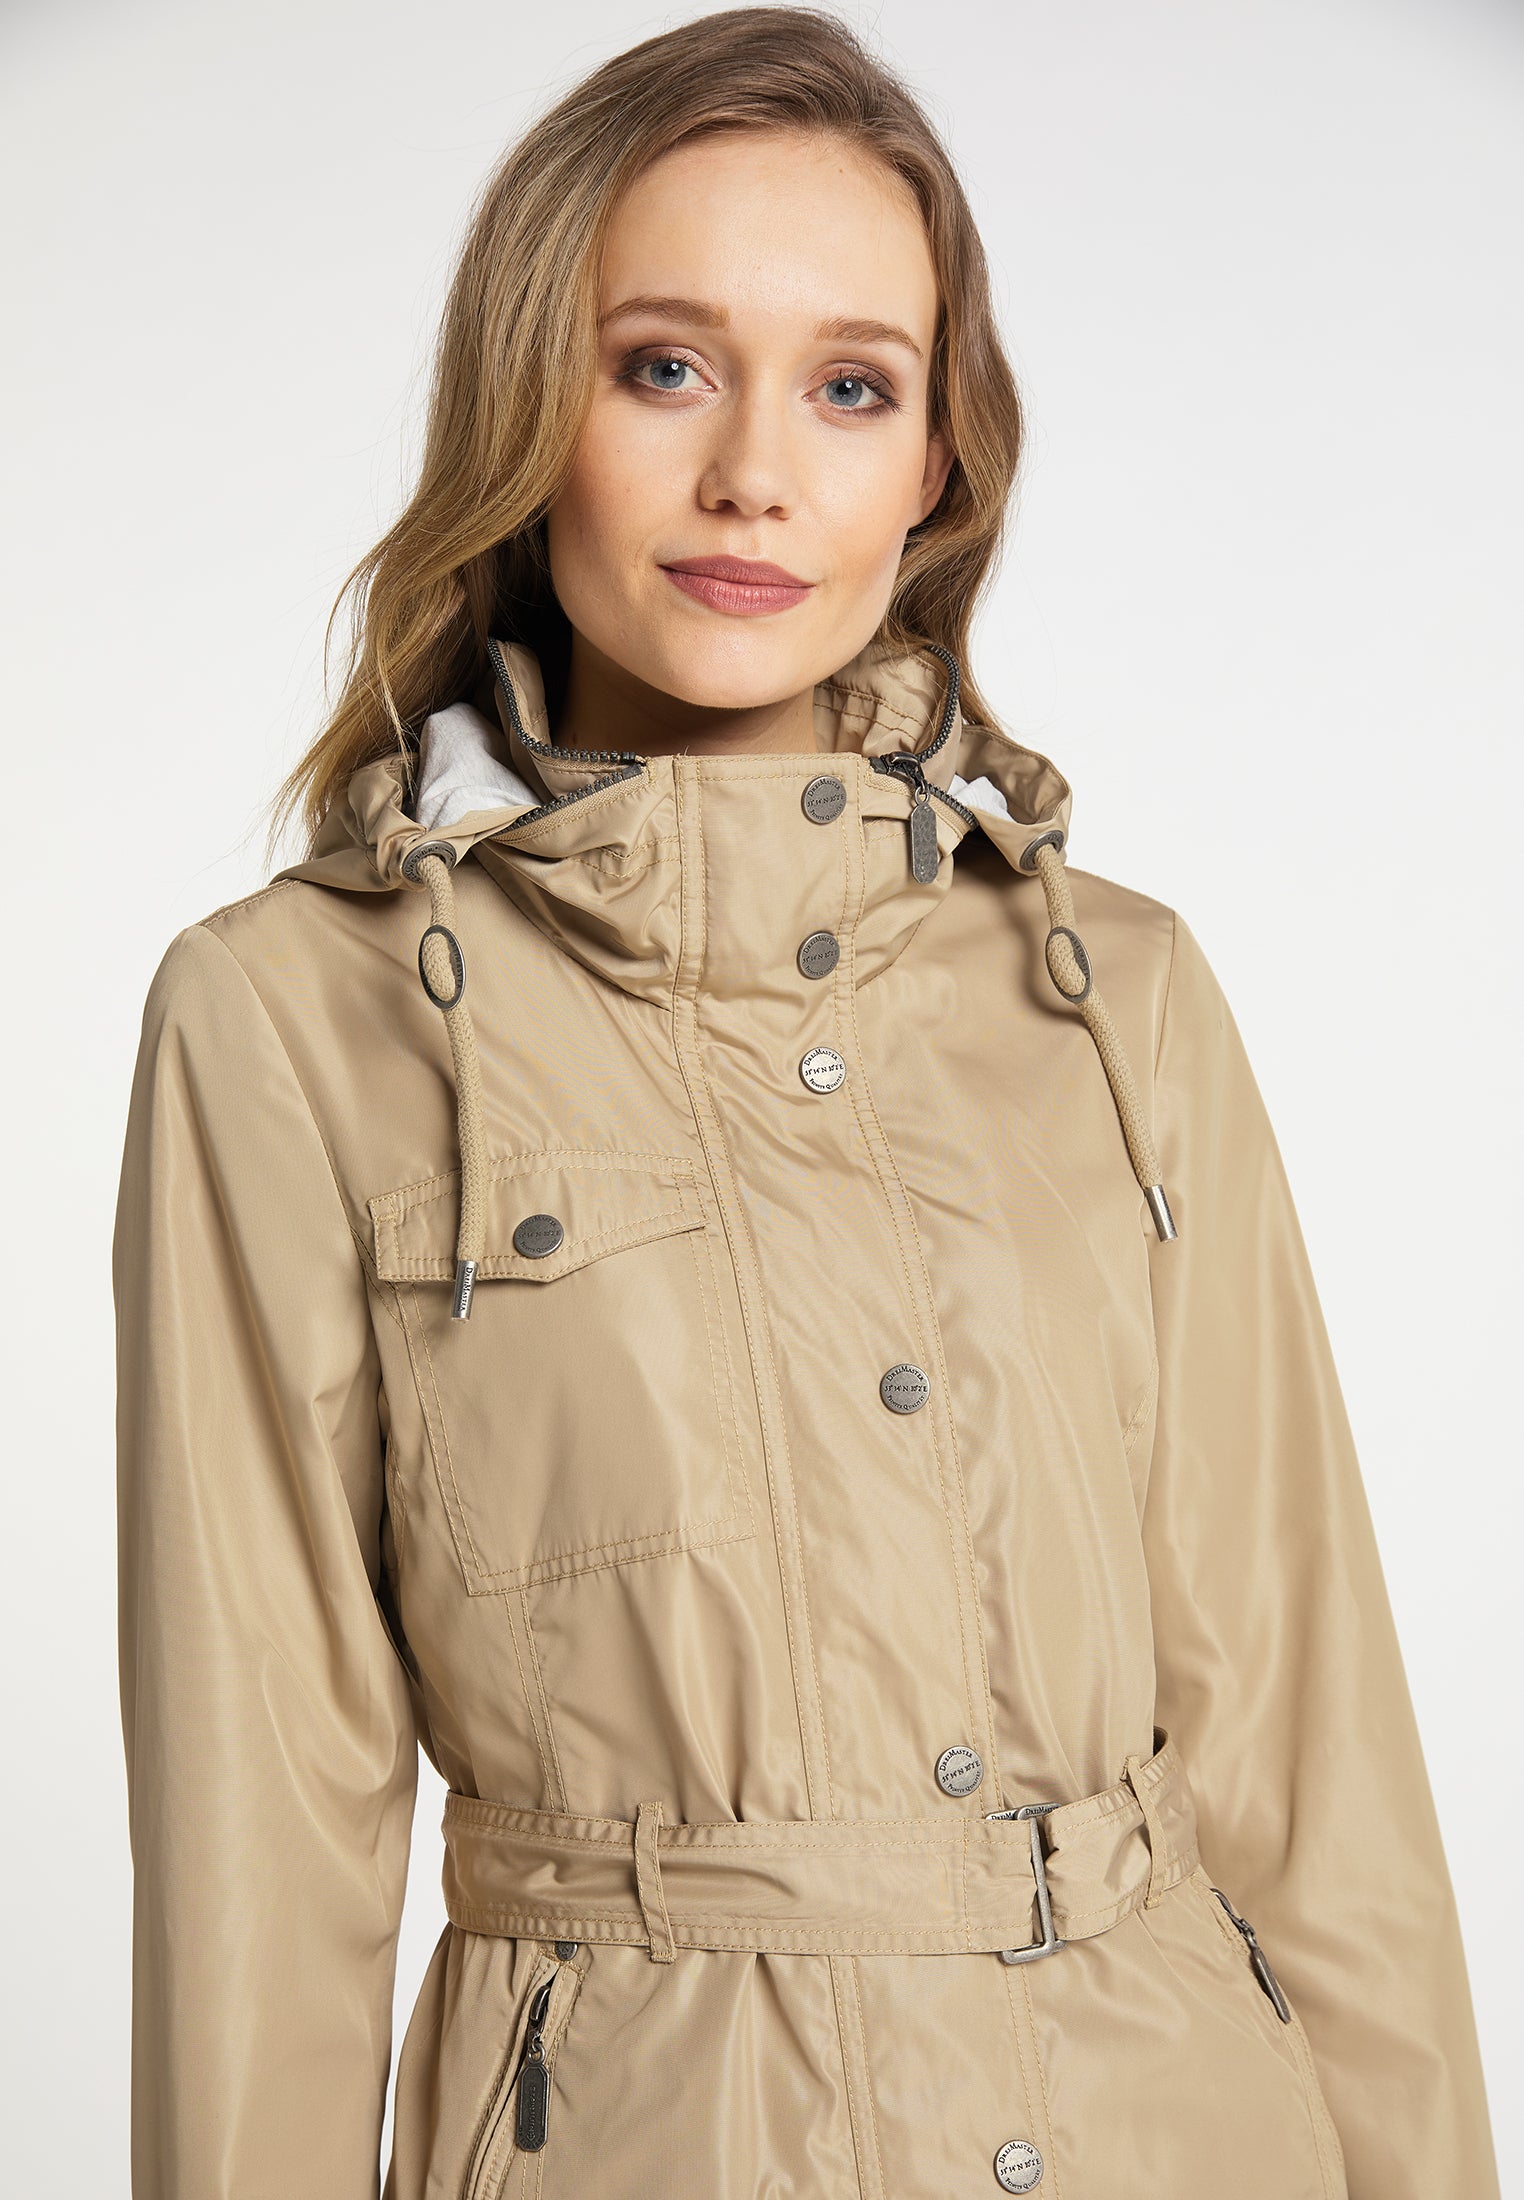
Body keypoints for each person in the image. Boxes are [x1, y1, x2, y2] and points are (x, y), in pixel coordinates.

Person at [113, 9, 1500, 2198]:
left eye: (852, 385)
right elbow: (260, 1856)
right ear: (528, 408)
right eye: (665, 364)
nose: (756, 472)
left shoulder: (1116, 991)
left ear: (937, 460)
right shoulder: (295, 1019)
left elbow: (1313, 1764)